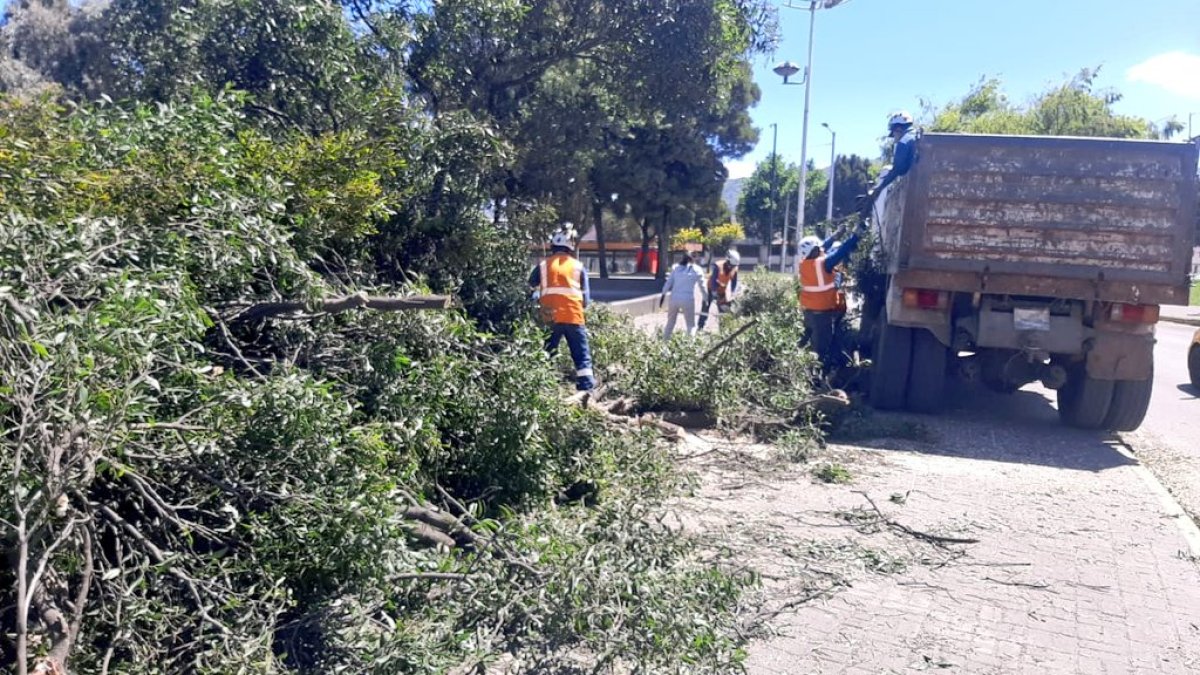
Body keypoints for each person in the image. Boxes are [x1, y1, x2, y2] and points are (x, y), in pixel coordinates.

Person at [529, 225, 596, 390]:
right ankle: (586, 387)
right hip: (573, 315)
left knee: (547, 352)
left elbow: (530, 285)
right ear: (570, 246)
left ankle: (543, 387)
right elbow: (586, 299)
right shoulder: (578, 267)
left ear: (553, 245)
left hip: (549, 316)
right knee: (581, 355)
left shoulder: (543, 266)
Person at [797, 227, 865, 372]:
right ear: (814, 251)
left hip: (809, 313)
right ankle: (815, 377)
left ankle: (801, 367)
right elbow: (841, 252)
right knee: (821, 350)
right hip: (822, 316)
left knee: (808, 341)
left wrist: (835, 236)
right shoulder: (824, 264)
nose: (821, 249)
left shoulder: (804, 264)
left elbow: (822, 247)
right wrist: (855, 236)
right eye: (818, 248)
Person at [860, 111, 919, 213]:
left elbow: (898, 169)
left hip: (915, 188)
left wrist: (878, 189)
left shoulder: (903, 141)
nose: (894, 139)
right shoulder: (918, 137)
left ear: (898, 129)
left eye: (893, 134)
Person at [660, 251, 706, 340]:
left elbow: (668, 283)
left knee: (670, 323)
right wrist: (706, 298)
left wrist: (663, 294)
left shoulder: (676, 268)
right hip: (688, 299)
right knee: (691, 325)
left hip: (674, 299)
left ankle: (664, 342)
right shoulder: (697, 270)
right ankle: (690, 344)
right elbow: (702, 286)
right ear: (693, 258)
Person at [697, 249, 740, 331]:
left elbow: (734, 282)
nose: (732, 267)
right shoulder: (718, 266)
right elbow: (713, 279)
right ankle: (700, 327)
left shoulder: (734, 268)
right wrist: (714, 292)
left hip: (722, 291)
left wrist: (733, 292)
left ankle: (723, 329)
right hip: (710, 289)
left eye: (734, 266)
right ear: (728, 261)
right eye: (731, 265)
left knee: (723, 311)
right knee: (705, 309)